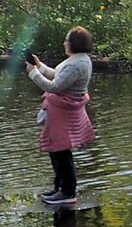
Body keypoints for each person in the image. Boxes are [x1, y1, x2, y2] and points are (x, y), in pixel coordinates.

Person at [27, 26, 96, 206]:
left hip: (64, 112)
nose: (64, 43)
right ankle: (59, 187)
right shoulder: (78, 60)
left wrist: (32, 73)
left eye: (66, 40)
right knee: (56, 150)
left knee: (61, 151)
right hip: (60, 110)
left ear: (74, 43)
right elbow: (59, 76)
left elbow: (54, 87)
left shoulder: (77, 64)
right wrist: (40, 66)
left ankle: (67, 191)